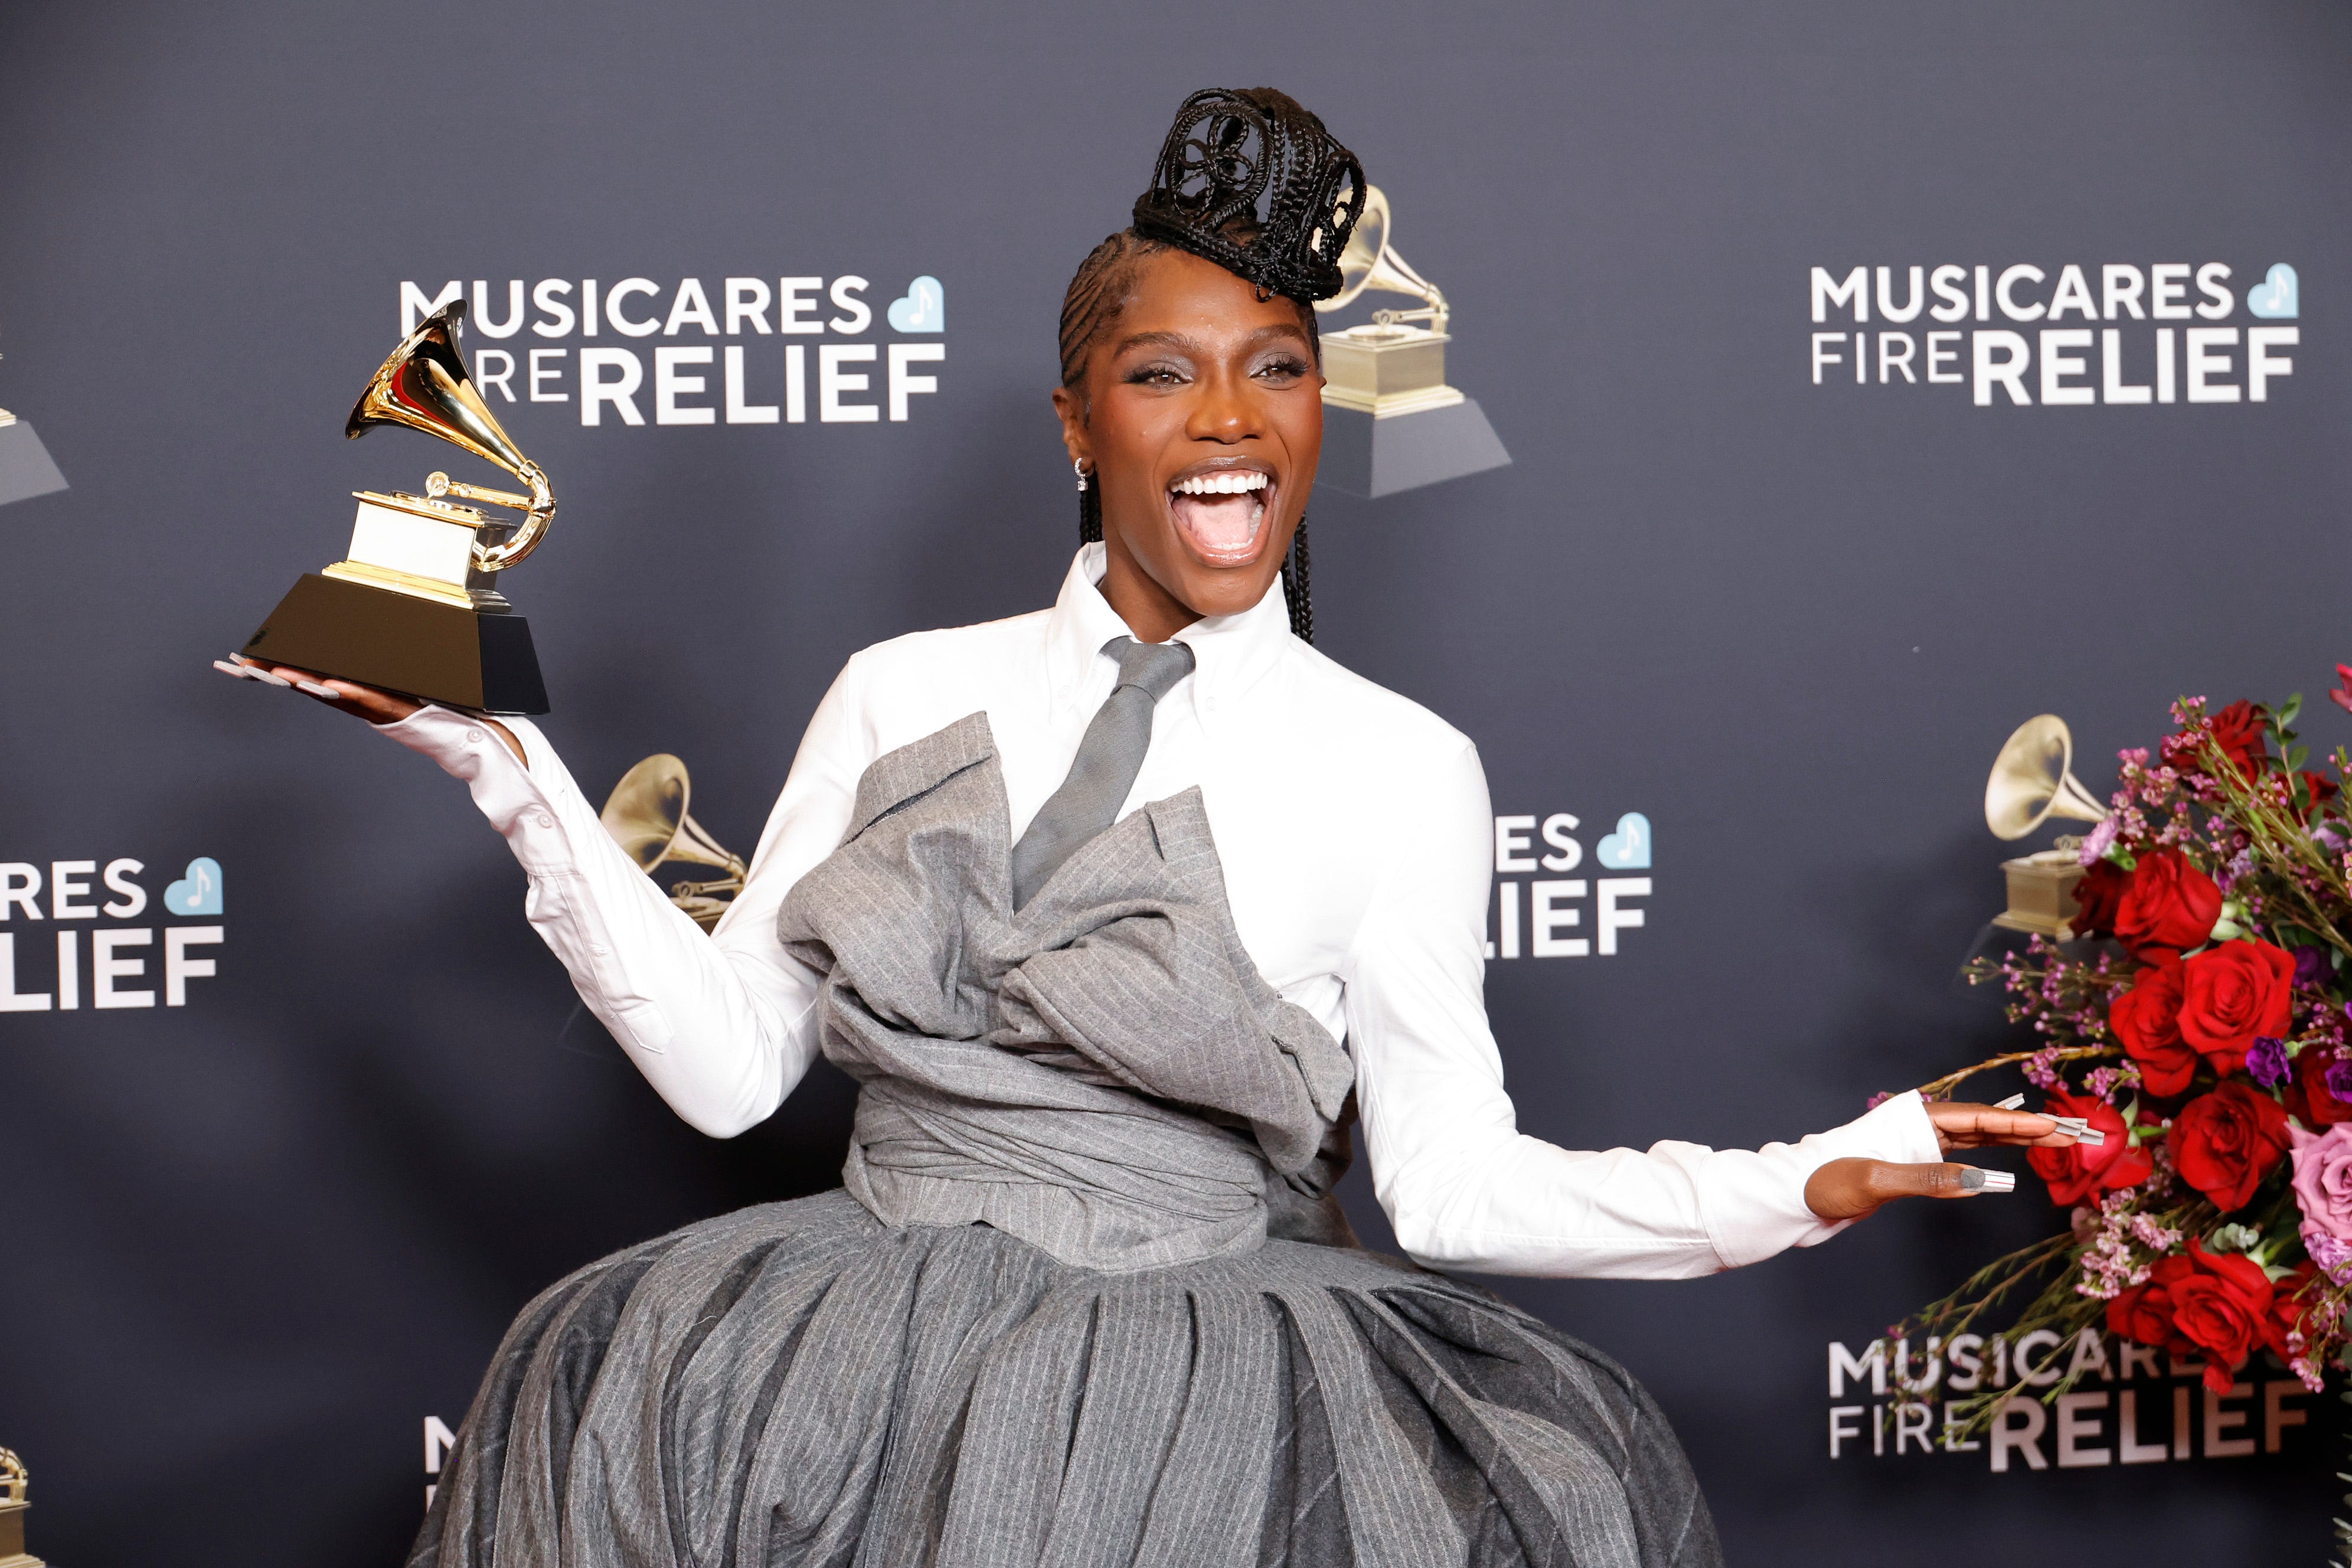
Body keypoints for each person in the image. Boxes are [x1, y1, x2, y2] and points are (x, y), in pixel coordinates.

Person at [229, 87, 2071, 1568]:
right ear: (1074, 419)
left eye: (1277, 365)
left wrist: (1798, 1179)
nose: (1231, 421)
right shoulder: (897, 691)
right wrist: (506, 769)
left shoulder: (1401, 764)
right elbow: (728, 1079)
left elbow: (1445, 1189)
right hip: (849, 1374)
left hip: (1217, 1392)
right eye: (1165, 369)